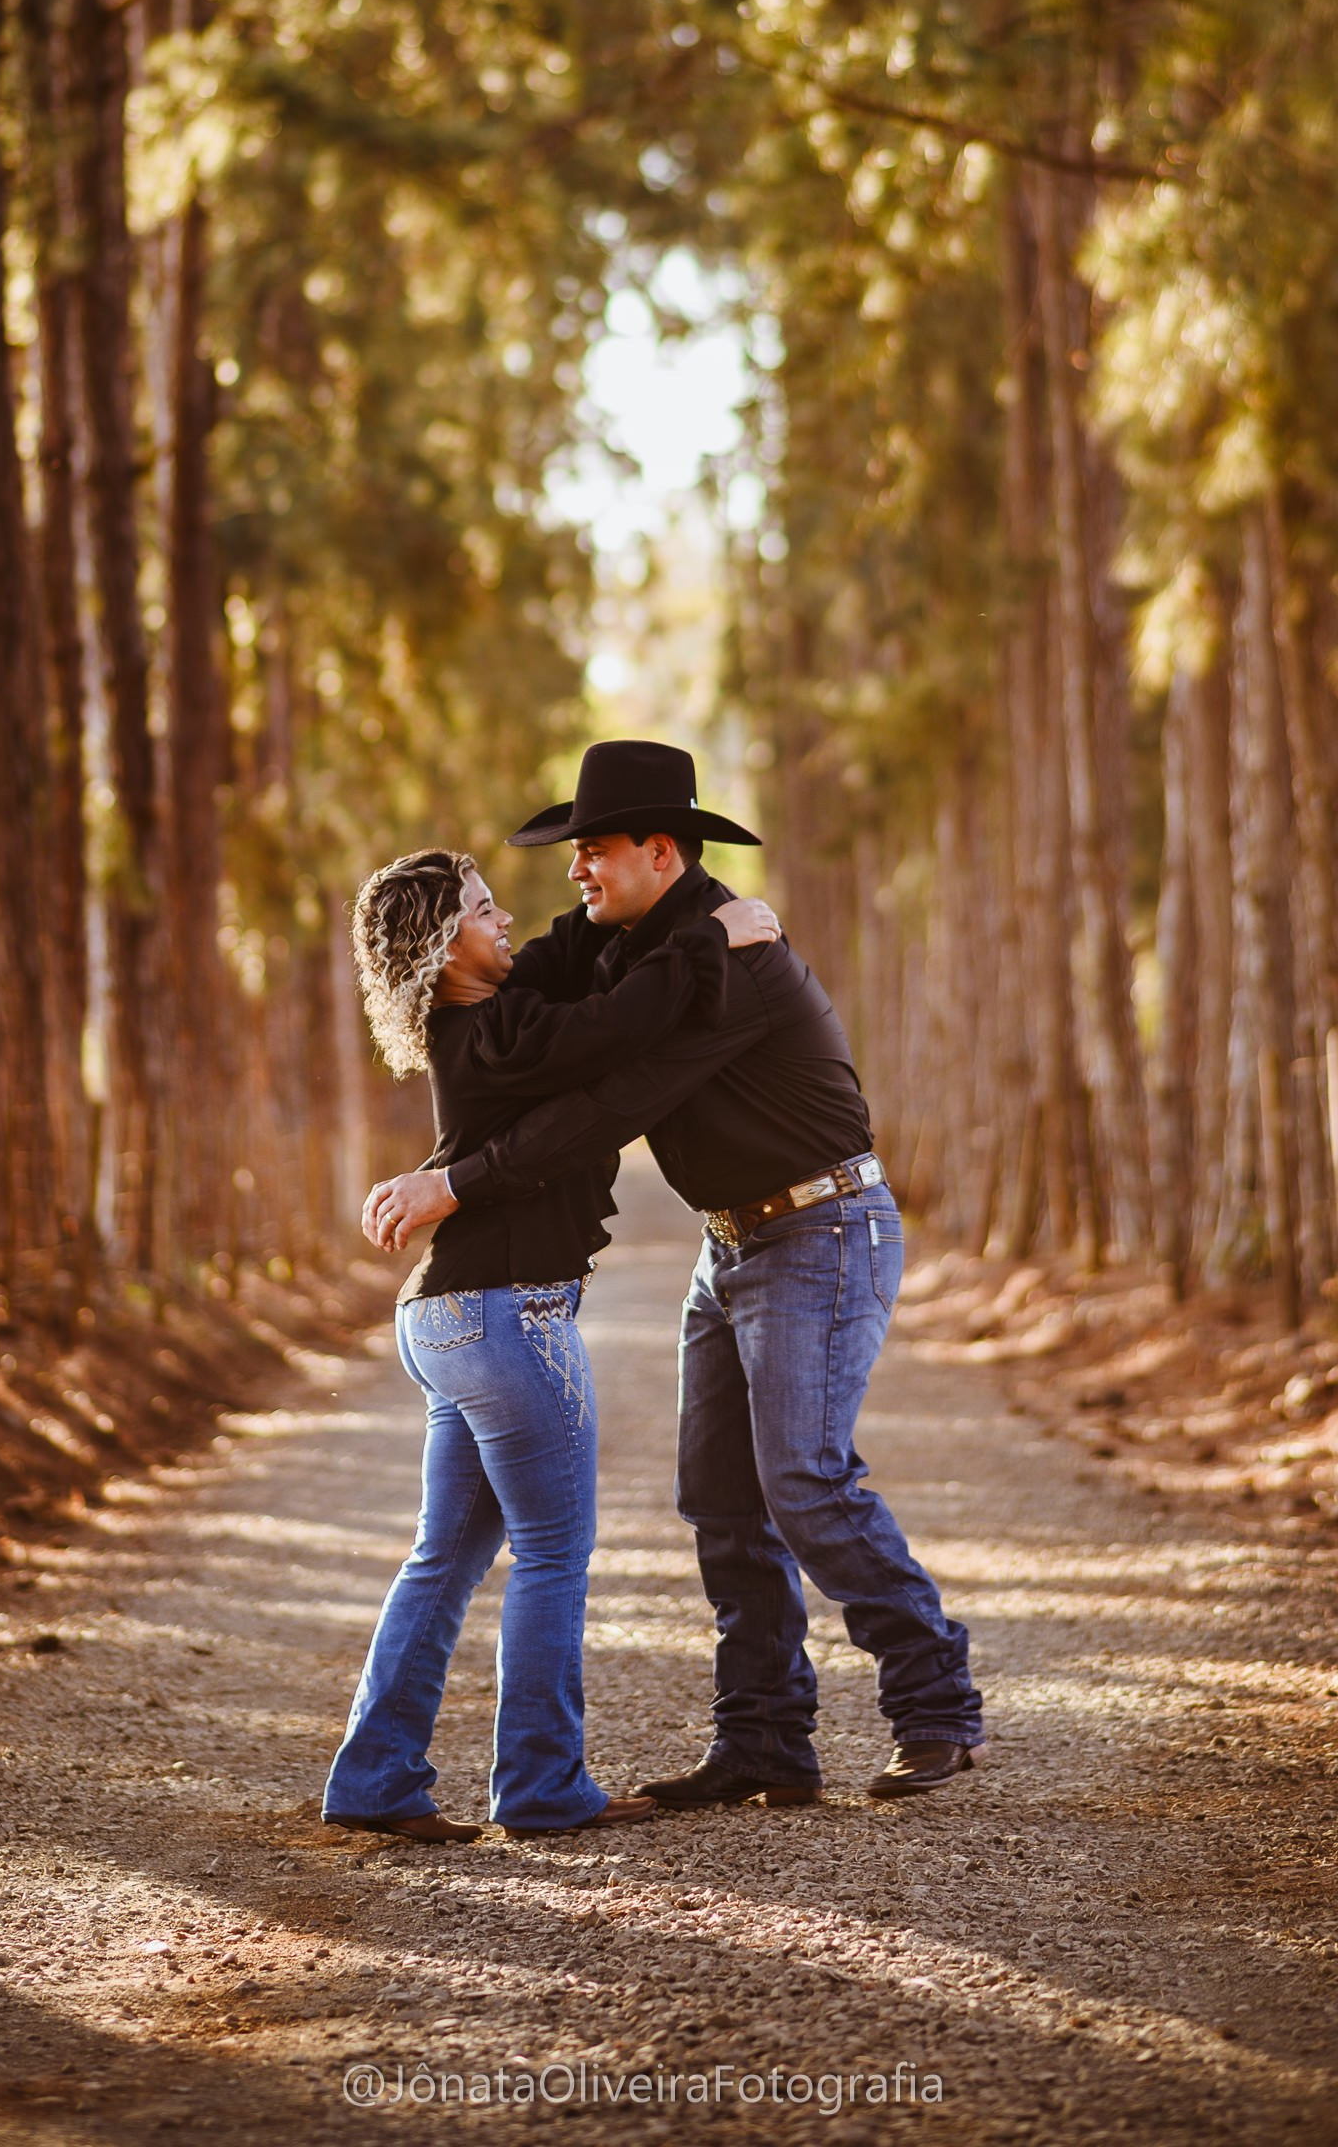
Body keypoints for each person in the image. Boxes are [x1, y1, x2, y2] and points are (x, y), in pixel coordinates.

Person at [365, 740, 986, 1809]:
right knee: (719, 1501)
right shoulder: (637, 943)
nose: (575, 873)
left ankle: (933, 1704)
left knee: (802, 1478)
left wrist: (457, 1183)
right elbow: (537, 1011)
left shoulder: (729, 961)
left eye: (593, 851)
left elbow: (609, 1105)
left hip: (822, 1228)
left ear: (659, 851)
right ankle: (763, 1740)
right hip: (732, 1240)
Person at [321, 841, 781, 1843]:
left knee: (443, 1557)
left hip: (450, 1318)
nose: (505, 923)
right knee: (550, 1555)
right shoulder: (492, 1032)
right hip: (507, 1316)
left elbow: (573, 961)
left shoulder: (491, 1020)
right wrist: (711, 934)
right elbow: (615, 1026)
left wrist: (641, 902)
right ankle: (539, 1785)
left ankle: (374, 1780)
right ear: (444, 948)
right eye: (482, 912)